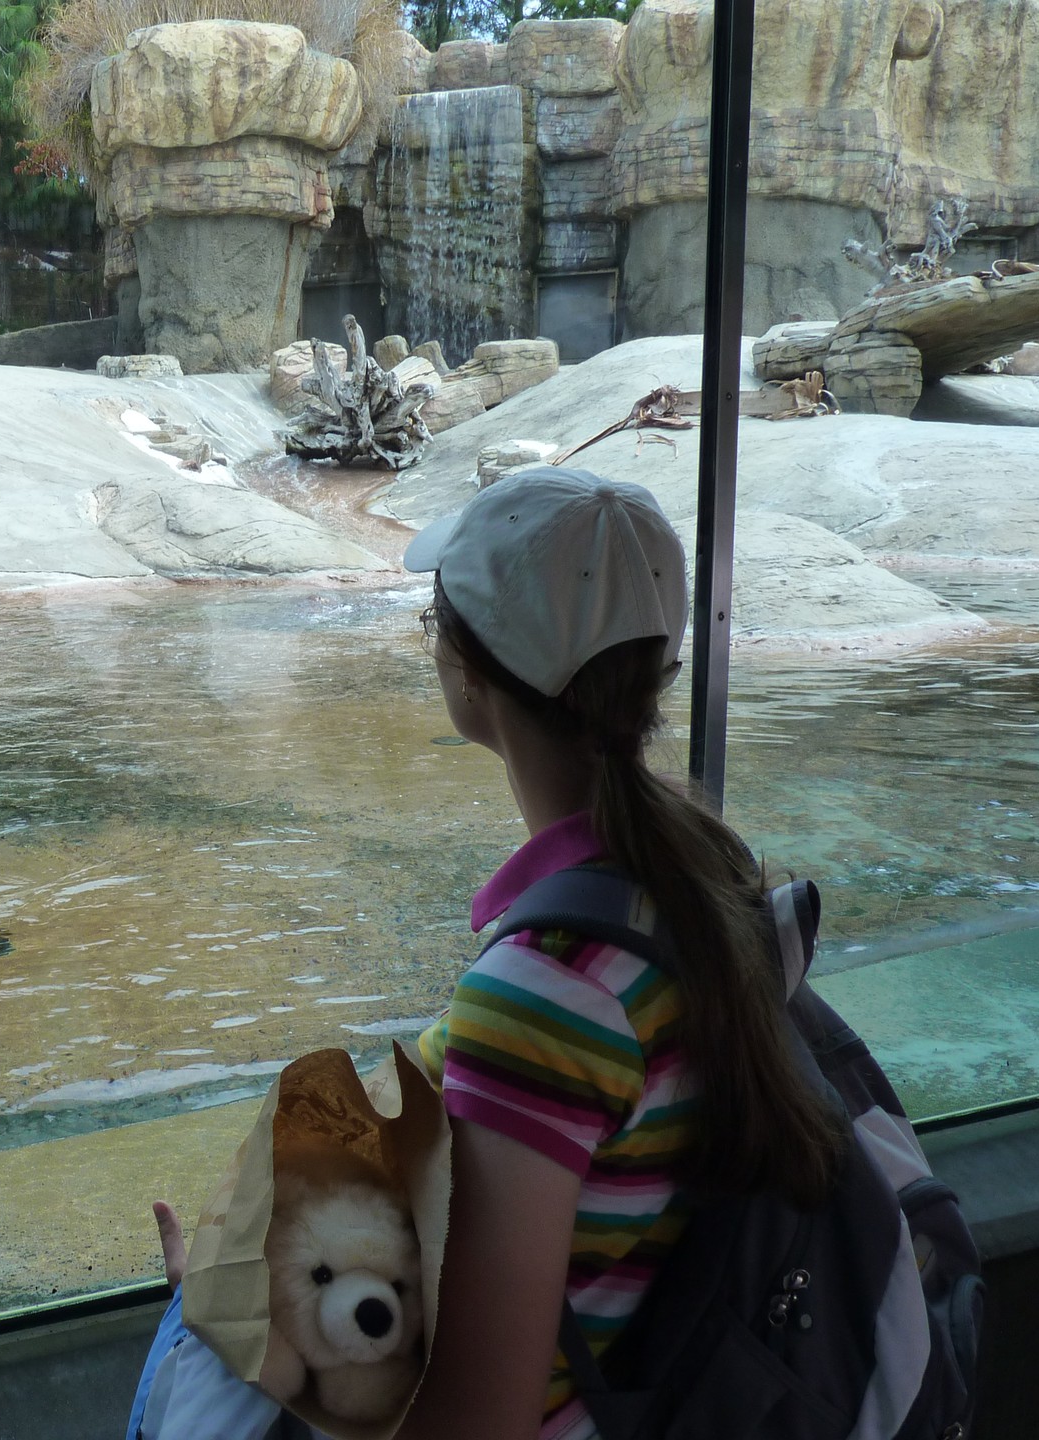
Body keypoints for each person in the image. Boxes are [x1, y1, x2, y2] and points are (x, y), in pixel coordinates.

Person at [141, 467, 847, 1440]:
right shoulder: (704, 872)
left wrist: (238, 1317)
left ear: (466, 668)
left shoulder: (549, 987)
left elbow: (478, 1423)